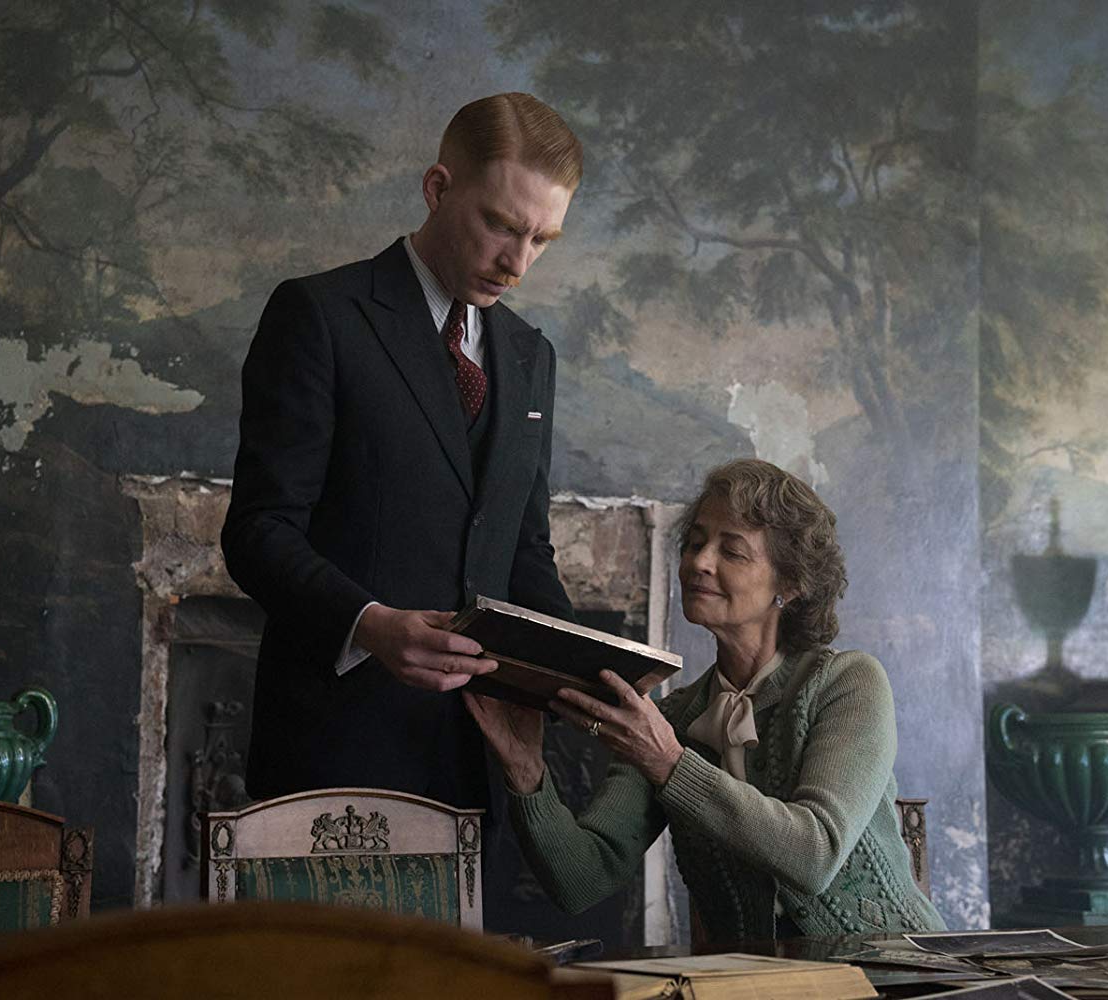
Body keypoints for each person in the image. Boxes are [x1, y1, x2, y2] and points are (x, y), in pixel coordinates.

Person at [220, 93, 581, 818]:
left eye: (542, 240)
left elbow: (523, 552)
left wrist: (589, 667)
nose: (517, 263)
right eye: (502, 226)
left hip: (477, 768)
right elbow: (258, 532)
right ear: (438, 188)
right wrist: (371, 624)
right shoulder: (319, 315)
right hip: (333, 757)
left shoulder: (530, 356)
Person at [467, 459, 947, 940]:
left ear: (791, 583)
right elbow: (582, 880)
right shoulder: (670, 720)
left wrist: (670, 763)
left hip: (895, 973)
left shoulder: (848, 682)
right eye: (695, 543)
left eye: (732, 551)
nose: (698, 562)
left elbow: (814, 854)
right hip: (756, 986)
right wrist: (526, 769)